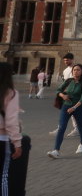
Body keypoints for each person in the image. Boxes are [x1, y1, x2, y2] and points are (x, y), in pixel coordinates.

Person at [47, 64, 82, 159]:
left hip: (78, 108)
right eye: (74, 70)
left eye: (78, 70)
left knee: (80, 126)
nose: (76, 71)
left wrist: (74, 108)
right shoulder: (69, 81)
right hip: (66, 107)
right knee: (61, 127)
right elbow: (58, 90)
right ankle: (56, 151)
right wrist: (63, 96)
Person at [0, 62, 26, 194]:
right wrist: (17, 143)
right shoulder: (10, 93)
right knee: (3, 176)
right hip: (2, 138)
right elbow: (11, 121)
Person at [49, 53, 79, 136]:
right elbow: (65, 83)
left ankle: (76, 129)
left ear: (72, 59)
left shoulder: (76, 69)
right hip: (66, 94)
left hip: (74, 94)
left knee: (72, 113)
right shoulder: (65, 71)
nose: (65, 62)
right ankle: (61, 128)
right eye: (65, 60)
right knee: (65, 112)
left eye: (67, 60)